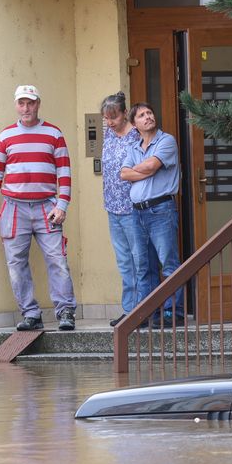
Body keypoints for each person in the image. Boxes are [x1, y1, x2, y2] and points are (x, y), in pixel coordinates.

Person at [0, 84, 78, 331]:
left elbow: (64, 172)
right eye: (22, 103)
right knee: (16, 263)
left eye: (31, 103)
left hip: (47, 206)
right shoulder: (6, 136)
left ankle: (66, 311)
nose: (26, 108)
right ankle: (30, 314)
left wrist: (62, 204)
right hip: (14, 208)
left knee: (57, 260)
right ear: (16, 105)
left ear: (38, 104)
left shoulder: (54, 134)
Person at [120, 102, 184, 324]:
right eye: (141, 115)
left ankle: (171, 312)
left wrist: (141, 169)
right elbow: (123, 174)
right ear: (134, 124)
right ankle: (147, 312)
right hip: (137, 213)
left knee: (168, 262)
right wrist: (143, 169)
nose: (148, 117)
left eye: (149, 112)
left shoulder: (166, 141)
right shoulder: (134, 147)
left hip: (161, 209)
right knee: (144, 264)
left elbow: (150, 167)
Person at [99, 91, 142, 326]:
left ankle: (140, 309)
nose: (109, 122)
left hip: (132, 206)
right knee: (124, 260)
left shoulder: (135, 135)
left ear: (125, 114)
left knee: (138, 259)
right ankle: (128, 310)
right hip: (112, 206)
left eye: (113, 117)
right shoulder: (108, 134)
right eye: (106, 118)